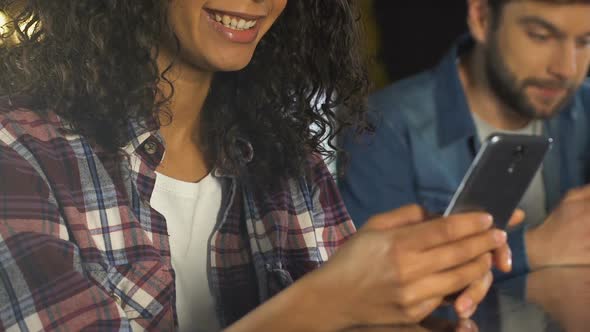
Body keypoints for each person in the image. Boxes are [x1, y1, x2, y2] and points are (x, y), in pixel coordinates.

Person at [0, 0, 514, 330]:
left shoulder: (292, 163)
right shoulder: (20, 155)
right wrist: (327, 301)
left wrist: (390, 312)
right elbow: (327, 304)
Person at [340, 0, 590, 281]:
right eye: (540, 36)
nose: (566, 69)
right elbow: (368, 284)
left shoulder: (584, 107)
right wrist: (535, 248)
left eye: (585, 41)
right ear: (482, 18)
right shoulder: (383, 128)